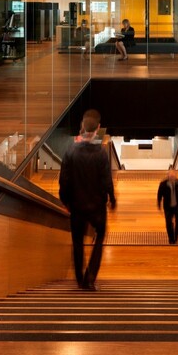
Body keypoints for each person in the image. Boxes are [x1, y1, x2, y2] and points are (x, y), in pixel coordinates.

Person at [58, 109, 116, 290]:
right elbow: (106, 180)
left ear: (82, 127)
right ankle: (90, 278)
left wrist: (65, 201)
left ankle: (79, 277)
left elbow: (64, 181)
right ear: (98, 128)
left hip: (76, 206)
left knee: (77, 241)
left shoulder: (70, 152)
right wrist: (112, 199)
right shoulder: (100, 154)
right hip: (97, 207)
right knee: (99, 238)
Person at [156, 168, 178, 245]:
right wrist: (159, 206)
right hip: (167, 207)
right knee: (168, 223)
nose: (172, 177)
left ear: (175, 176)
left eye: (173, 176)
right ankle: (171, 239)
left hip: (177, 207)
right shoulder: (163, 184)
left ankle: (176, 238)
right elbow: (159, 195)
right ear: (168, 176)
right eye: (170, 176)